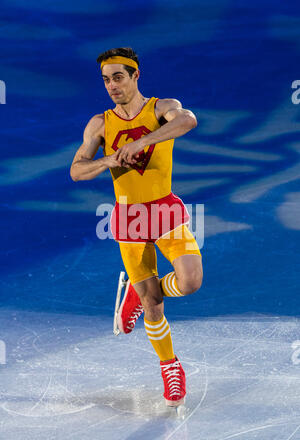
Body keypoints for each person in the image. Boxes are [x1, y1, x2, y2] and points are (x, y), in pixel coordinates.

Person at [70, 47, 203, 408]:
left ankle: (139, 295)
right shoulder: (100, 124)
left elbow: (188, 120)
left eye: (118, 77)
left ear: (135, 76)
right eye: (106, 79)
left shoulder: (160, 108)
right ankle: (169, 365)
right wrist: (107, 160)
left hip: (164, 209)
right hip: (129, 218)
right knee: (154, 307)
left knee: (190, 281)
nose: (111, 85)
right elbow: (76, 169)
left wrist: (143, 140)